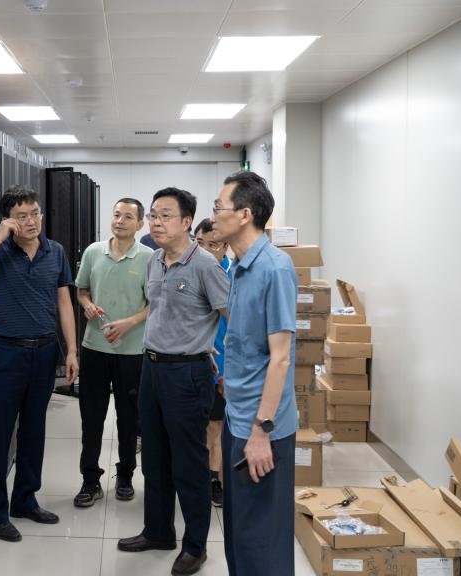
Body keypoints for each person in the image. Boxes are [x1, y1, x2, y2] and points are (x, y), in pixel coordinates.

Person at [117, 188, 230, 576]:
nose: (156, 222)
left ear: (186, 222)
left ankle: (195, 546)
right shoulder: (154, 260)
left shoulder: (206, 266)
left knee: (189, 463)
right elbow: (156, 309)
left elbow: (233, 317)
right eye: (153, 215)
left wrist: (224, 363)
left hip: (187, 373)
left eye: (165, 216)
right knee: (153, 458)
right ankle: (158, 531)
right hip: (152, 368)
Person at [0, 185, 80, 543]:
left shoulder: (55, 251)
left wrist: (72, 351)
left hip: (44, 352)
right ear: (8, 219)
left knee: (33, 430)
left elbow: (64, 303)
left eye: (35, 213)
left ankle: (25, 500)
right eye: (22, 216)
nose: (31, 221)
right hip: (6, 352)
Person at [210, 171, 298, 576]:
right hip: (238, 417)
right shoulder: (238, 266)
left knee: (262, 538)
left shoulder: (274, 269)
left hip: (262, 428)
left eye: (219, 208)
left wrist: (262, 431)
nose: (213, 216)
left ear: (245, 215)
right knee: (241, 531)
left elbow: (280, 358)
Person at [73, 198, 153, 507]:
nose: (120, 220)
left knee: (129, 419)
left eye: (128, 217)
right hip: (95, 347)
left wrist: (129, 322)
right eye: (117, 214)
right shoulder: (94, 252)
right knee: (91, 418)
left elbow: (155, 303)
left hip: (132, 351)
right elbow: (81, 290)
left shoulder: (149, 258)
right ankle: (90, 480)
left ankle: (125, 476)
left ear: (140, 224)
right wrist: (87, 304)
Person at [194, 218, 231, 508]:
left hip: (221, 366)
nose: (206, 250)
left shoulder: (233, 276)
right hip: (190, 363)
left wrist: (225, 373)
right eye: (200, 244)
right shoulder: (188, 271)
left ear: (226, 247)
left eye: (213, 245)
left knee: (215, 428)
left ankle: (214, 481)